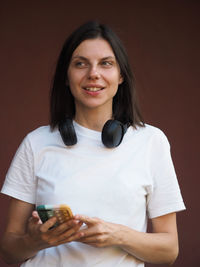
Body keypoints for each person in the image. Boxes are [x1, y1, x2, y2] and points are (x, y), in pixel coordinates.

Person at [0, 21, 185, 267]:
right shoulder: (36, 142)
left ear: (121, 76)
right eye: (80, 64)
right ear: (66, 76)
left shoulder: (151, 141)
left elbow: (169, 251)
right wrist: (36, 240)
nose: (93, 74)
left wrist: (117, 235)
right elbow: (9, 251)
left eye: (106, 63)